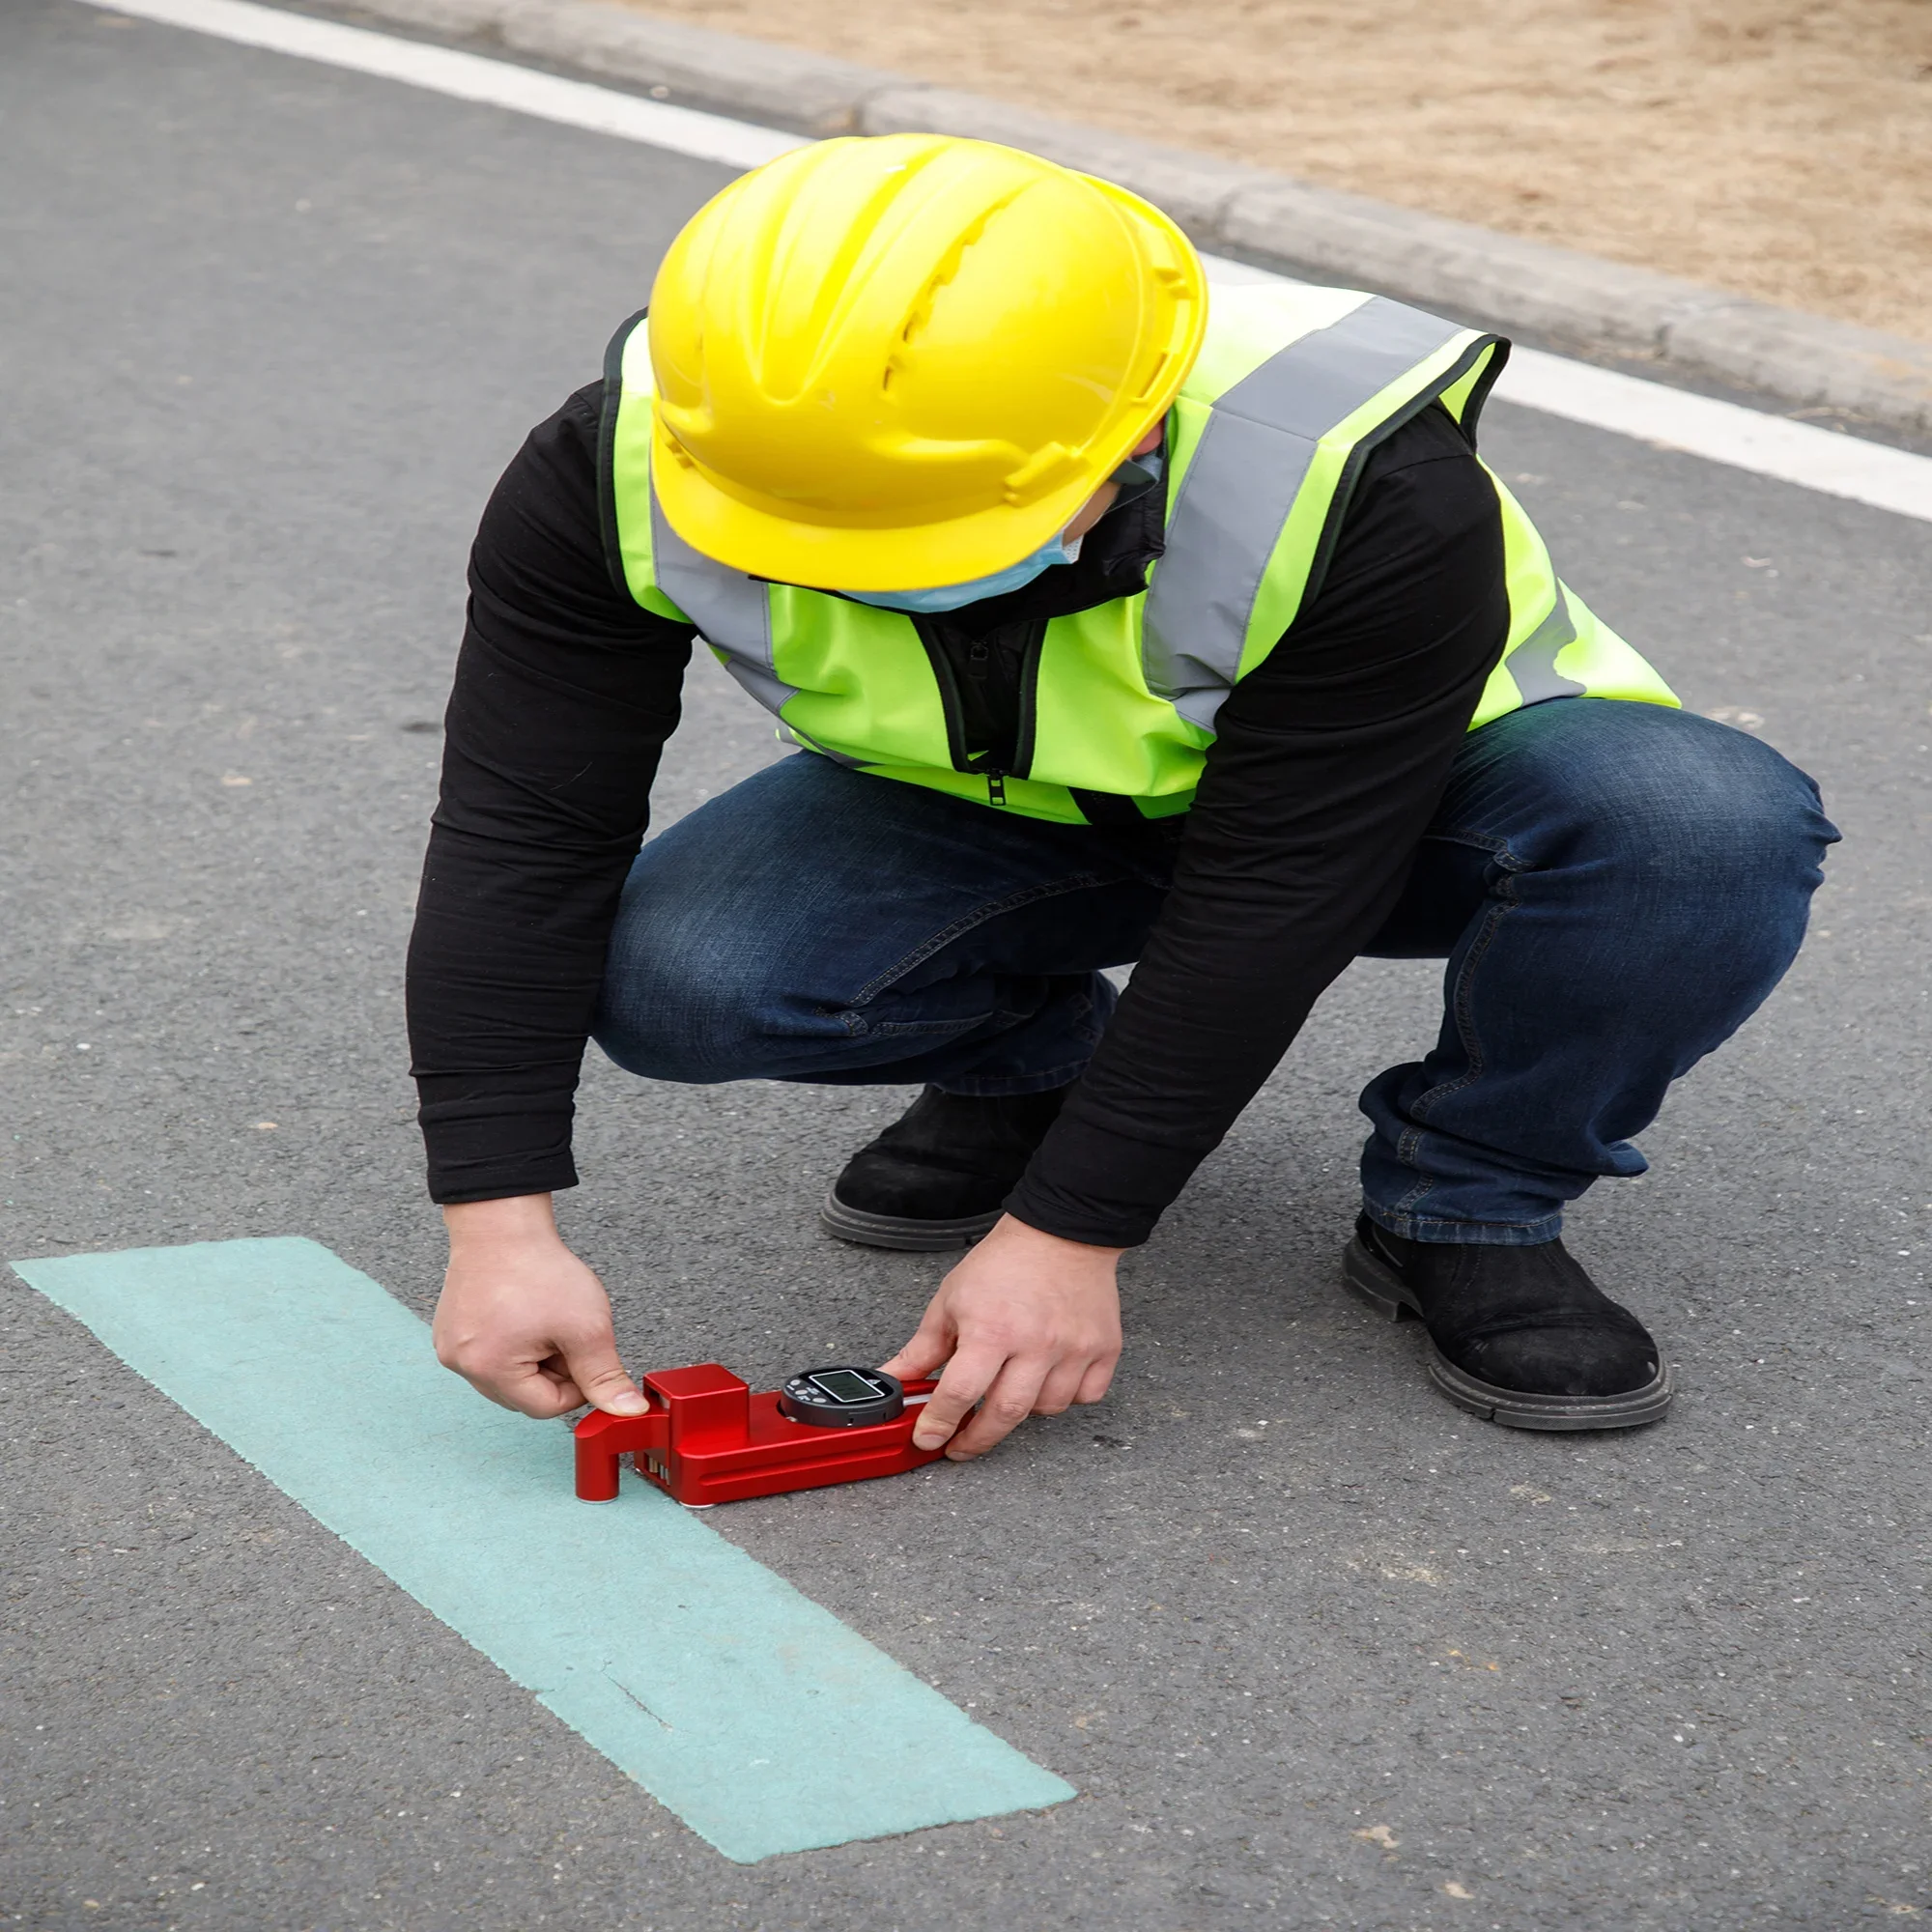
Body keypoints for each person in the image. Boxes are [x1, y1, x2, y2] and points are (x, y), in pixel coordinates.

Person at [411, 134, 1834, 1458]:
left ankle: (1464, 1199)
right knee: (684, 979)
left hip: (1402, 814)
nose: (871, 582)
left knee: (1698, 828)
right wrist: (496, 1223)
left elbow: (1276, 890)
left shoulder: (1355, 479)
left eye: (927, 540)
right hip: (999, 814)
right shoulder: (626, 461)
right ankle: (1031, 1069)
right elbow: (524, 833)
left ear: (1131, 429)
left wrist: (1071, 1236)